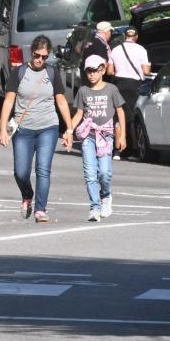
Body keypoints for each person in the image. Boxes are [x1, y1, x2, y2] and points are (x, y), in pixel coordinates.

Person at [0, 36, 73, 222]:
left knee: (43, 169)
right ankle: (27, 194)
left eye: (45, 57)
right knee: (21, 172)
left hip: (48, 127)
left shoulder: (52, 73)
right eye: (38, 55)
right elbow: (9, 101)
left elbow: (61, 101)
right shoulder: (19, 72)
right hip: (23, 129)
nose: (41, 60)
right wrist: (2, 129)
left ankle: (40, 209)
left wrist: (69, 129)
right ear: (31, 52)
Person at [66, 54, 127, 222]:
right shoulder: (83, 91)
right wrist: (69, 131)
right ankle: (94, 207)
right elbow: (79, 114)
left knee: (105, 173)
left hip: (106, 136)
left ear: (103, 70)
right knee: (90, 173)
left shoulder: (111, 89)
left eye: (95, 71)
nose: (92, 74)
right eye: (89, 71)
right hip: (88, 136)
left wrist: (122, 135)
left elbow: (120, 112)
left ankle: (106, 195)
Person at [109, 27, 150, 139]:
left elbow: (110, 71)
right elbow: (146, 71)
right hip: (135, 85)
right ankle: (136, 143)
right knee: (134, 115)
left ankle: (122, 146)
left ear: (124, 36)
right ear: (136, 37)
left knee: (120, 114)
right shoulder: (141, 49)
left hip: (119, 84)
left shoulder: (115, 49)